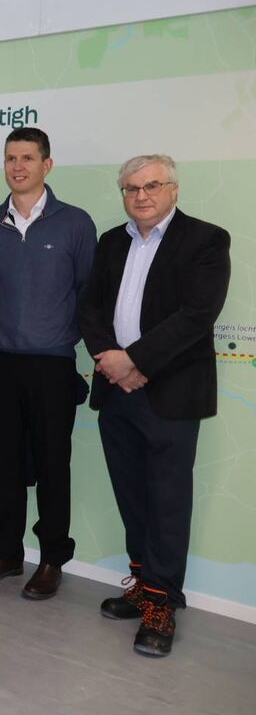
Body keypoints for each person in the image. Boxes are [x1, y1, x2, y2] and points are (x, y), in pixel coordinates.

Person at [78, 155, 230, 657]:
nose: (141, 195)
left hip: (170, 392)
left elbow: (196, 317)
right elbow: (90, 308)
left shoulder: (206, 240)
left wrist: (136, 362)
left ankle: (163, 604)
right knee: (131, 494)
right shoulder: (111, 241)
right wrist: (109, 358)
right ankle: (144, 586)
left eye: (151, 185)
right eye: (130, 188)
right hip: (116, 391)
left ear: (174, 189)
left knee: (166, 502)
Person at [0, 127, 96, 598]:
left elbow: (87, 294)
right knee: (0, 461)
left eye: (27, 158)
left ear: (47, 164)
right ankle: (5, 553)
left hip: (52, 364)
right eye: (10, 158)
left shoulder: (75, 224)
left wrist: (58, 338)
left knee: (52, 464)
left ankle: (51, 560)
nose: (17, 166)